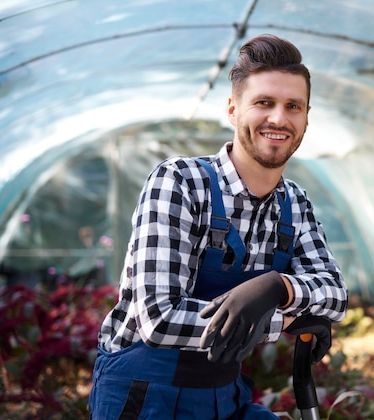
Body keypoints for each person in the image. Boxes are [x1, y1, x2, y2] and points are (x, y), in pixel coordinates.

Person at [88, 34, 348, 419]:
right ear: (232, 109)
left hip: (222, 395)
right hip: (144, 395)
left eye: (293, 106)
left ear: (307, 117)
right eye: (264, 103)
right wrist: (287, 317)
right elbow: (159, 320)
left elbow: (336, 294)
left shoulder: (293, 202)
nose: (279, 118)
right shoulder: (180, 182)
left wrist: (278, 286)